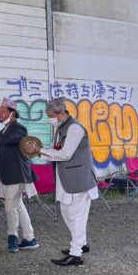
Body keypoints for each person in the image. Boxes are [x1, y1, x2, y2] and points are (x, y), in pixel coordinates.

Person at [25, 96, 98, 266]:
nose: (49, 119)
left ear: (61, 112)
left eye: (51, 115)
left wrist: (40, 150)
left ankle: (76, 254)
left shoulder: (75, 128)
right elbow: (55, 151)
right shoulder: (60, 128)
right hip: (66, 179)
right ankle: (81, 243)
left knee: (77, 216)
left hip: (79, 180)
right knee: (67, 213)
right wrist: (38, 151)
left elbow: (65, 154)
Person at [0, 98, 39, 253]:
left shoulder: (19, 129)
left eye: (2, 111)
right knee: (17, 206)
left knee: (9, 208)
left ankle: (12, 237)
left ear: (12, 113)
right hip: (7, 176)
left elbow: (7, 141)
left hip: (17, 175)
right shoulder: (4, 131)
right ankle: (29, 238)